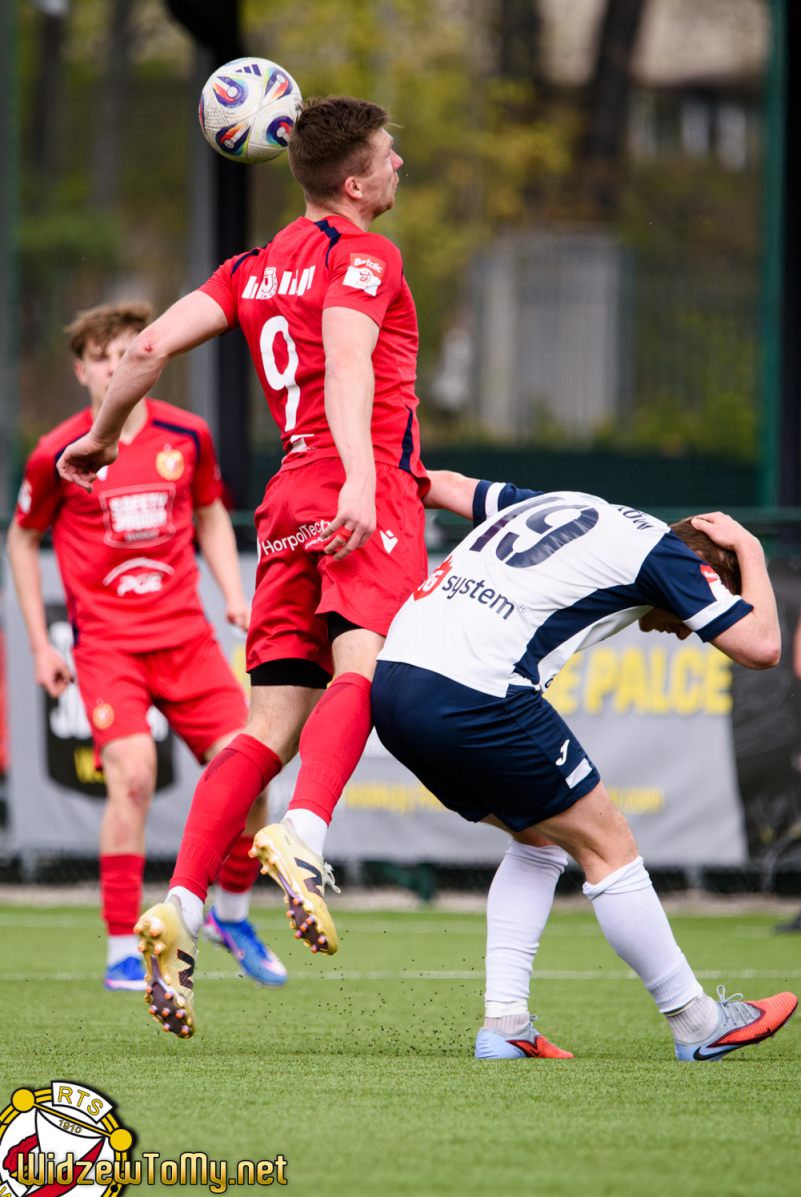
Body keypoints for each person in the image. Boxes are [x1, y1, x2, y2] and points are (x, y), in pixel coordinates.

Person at [55, 97, 466, 1038]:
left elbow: (149, 346)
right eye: (388, 155)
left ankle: (180, 905)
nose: (398, 164)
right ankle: (305, 834)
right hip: (357, 487)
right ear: (353, 182)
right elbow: (350, 358)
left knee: (268, 724)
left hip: (282, 503)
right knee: (363, 669)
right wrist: (361, 478)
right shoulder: (366, 255)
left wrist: (102, 435)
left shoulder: (252, 266)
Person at [372, 478, 798, 1061]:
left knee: (541, 837)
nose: (689, 630)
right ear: (709, 576)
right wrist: (750, 547)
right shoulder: (664, 552)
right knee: (608, 842)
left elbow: (434, 484)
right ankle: (698, 1021)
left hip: (393, 683)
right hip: (475, 690)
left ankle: (506, 1024)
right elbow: (762, 647)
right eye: (696, 612)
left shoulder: (569, 505)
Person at [8, 302, 286, 993]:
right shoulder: (58, 452)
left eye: (129, 352)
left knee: (253, 776)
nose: (116, 367)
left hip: (187, 640)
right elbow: (22, 537)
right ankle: (119, 950)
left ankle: (229, 915)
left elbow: (210, 512)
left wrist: (235, 593)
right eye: (101, 357)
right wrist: (40, 644)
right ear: (81, 371)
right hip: (108, 648)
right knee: (132, 777)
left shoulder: (187, 435)